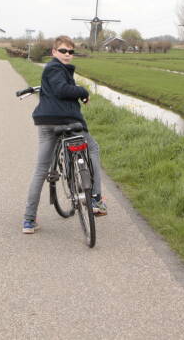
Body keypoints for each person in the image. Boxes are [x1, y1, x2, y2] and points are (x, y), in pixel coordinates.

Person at [23, 35, 106, 234]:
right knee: (93, 148)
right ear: (54, 52)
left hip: (46, 122)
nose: (67, 54)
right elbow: (61, 89)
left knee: (41, 169)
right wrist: (83, 90)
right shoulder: (55, 68)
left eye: (70, 51)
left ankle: (29, 220)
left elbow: (59, 90)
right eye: (63, 51)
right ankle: (96, 198)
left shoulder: (55, 69)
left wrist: (78, 93)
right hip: (66, 120)